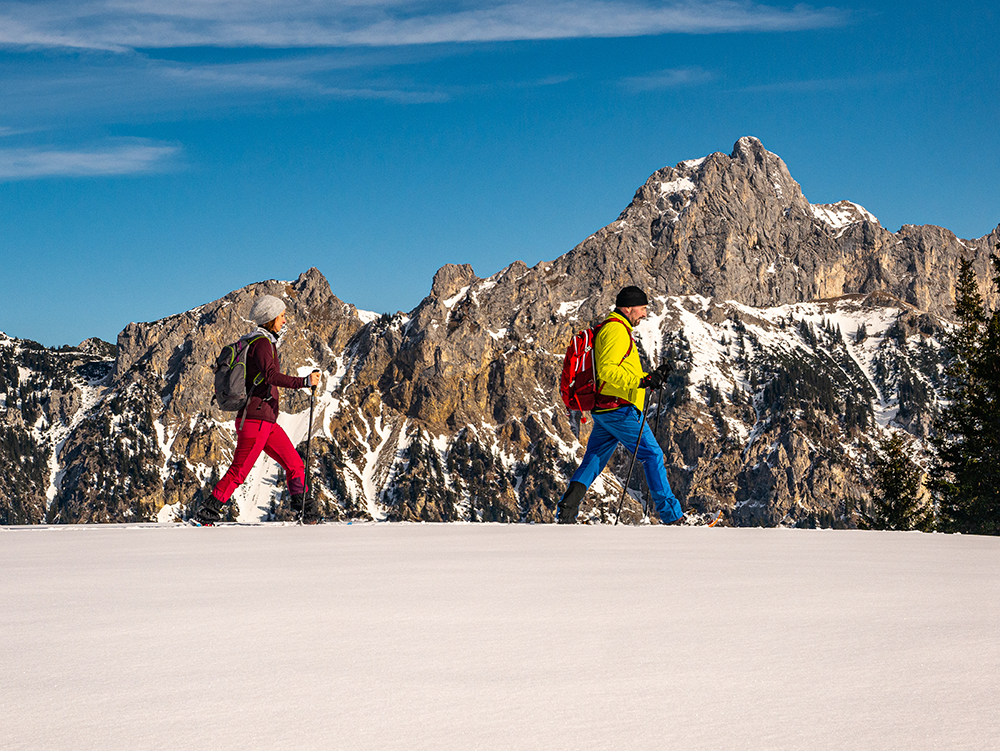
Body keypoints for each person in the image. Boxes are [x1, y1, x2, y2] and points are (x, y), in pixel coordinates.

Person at [557, 285, 684, 524]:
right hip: (620, 409)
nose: (645, 314)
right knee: (653, 454)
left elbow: (619, 369)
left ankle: (567, 510)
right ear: (628, 308)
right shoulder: (615, 330)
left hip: (607, 408)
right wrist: (642, 380)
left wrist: (650, 377)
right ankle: (672, 516)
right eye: (642, 309)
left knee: (594, 459)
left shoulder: (616, 329)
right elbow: (607, 371)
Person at [196, 295, 322, 525]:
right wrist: (304, 382)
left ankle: (306, 512)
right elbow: (270, 376)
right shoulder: (263, 344)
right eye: (282, 316)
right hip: (255, 421)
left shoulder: (260, 342)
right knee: (240, 471)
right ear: (270, 318)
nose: (284, 321)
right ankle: (207, 512)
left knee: (294, 464)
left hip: (265, 422)